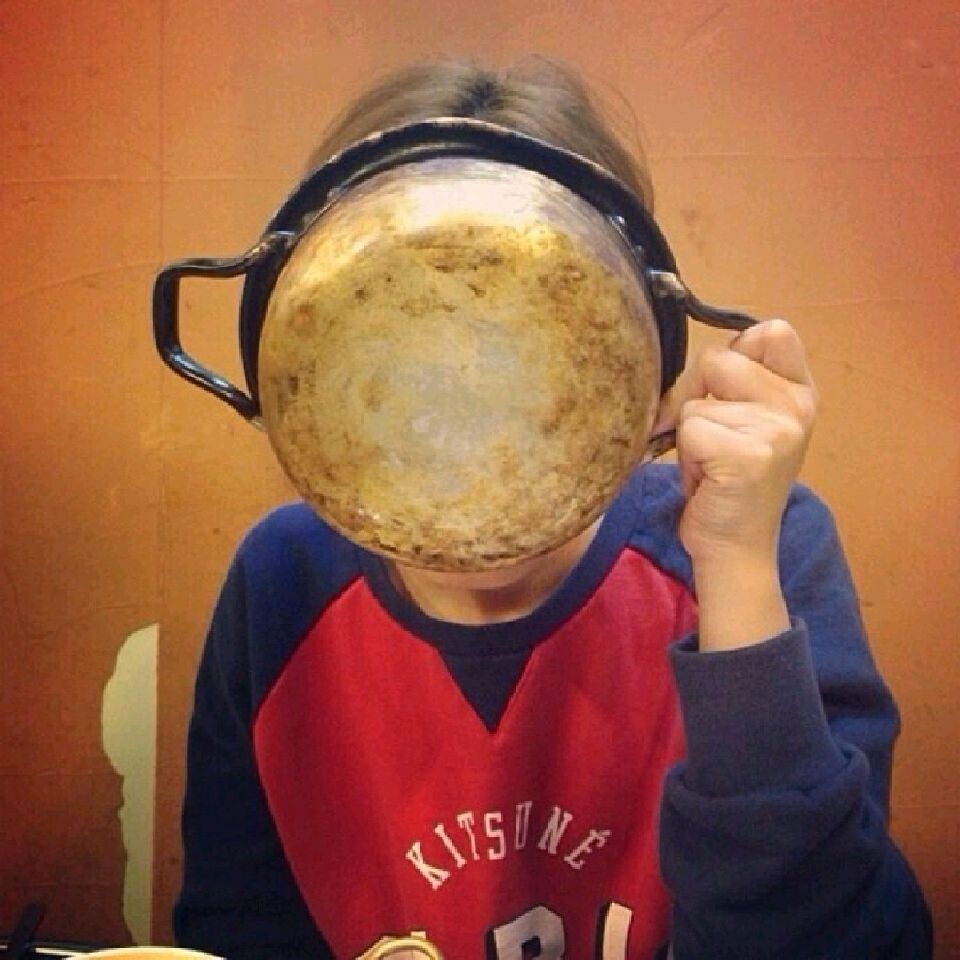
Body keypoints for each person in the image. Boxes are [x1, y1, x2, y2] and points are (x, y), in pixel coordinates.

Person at [173, 59, 932, 959]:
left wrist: (735, 572)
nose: (469, 428)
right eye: (410, 369)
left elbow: (842, 941)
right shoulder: (283, 583)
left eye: (522, 361)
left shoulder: (757, 551)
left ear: (652, 374)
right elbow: (237, 928)